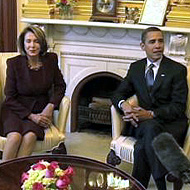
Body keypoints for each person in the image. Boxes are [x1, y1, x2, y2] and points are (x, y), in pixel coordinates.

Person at [111, 27, 188, 190]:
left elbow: (178, 107)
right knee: (149, 128)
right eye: (152, 42)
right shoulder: (136, 68)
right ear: (142, 46)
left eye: (160, 41)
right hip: (143, 124)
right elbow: (118, 93)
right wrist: (124, 106)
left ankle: (138, 186)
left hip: (170, 124)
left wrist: (151, 114)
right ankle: (163, 179)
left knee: (141, 147)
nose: (158, 45)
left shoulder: (177, 70)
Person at [0, 25, 66, 161]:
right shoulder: (14, 63)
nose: (32, 45)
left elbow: (60, 86)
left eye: (36, 41)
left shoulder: (51, 60)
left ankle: (20, 175)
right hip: (15, 109)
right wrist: (31, 116)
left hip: (39, 109)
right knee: (14, 137)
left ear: (42, 44)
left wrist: (50, 106)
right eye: (28, 41)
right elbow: (10, 97)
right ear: (23, 44)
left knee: (30, 136)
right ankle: (4, 177)